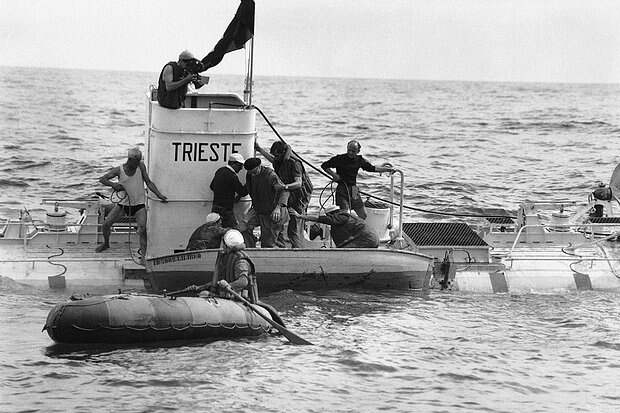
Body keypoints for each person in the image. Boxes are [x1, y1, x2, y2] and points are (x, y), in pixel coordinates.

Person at [95, 148, 168, 261]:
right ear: (130, 159)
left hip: (139, 205)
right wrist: (113, 185)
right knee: (106, 224)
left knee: (143, 229)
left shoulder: (141, 166)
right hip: (123, 205)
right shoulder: (119, 170)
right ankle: (106, 243)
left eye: (139, 160)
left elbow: (148, 182)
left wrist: (159, 195)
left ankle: (143, 257)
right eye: (137, 160)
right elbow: (102, 179)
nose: (139, 162)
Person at [255, 140, 313, 248]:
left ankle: (298, 251)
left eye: (277, 155)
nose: (275, 157)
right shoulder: (279, 160)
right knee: (284, 224)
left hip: (299, 197)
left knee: (294, 226)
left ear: (282, 153)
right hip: (288, 195)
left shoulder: (294, 163)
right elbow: (272, 160)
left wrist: (284, 187)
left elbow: (298, 183)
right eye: (274, 155)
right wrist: (259, 149)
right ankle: (287, 248)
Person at [321, 140, 394, 219]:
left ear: (358, 151)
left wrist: (387, 170)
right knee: (345, 214)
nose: (350, 153)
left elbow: (371, 168)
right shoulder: (339, 158)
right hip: (342, 188)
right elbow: (324, 165)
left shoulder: (359, 160)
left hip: (354, 189)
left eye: (353, 151)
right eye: (349, 150)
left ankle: (357, 227)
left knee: (363, 215)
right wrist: (334, 175)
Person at [243, 157, 288, 248]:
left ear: (259, 166)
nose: (253, 174)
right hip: (259, 211)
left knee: (268, 243)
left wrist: (278, 208)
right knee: (244, 226)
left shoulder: (270, 176)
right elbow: (250, 189)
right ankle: (250, 248)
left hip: (274, 212)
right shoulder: (249, 175)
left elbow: (284, 191)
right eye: (251, 172)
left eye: (254, 172)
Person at [290, 205, 379, 248]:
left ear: (331, 214)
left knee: (343, 252)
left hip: (367, 239)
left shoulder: (340, 217)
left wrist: (300, 216)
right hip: (372, 237)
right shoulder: (346, 216)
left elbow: (320, 219)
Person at [210, 153, 248, 228]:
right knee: (232, 230)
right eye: (240, 165)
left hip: (215, 207)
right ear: (234, 164)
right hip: (226, 210)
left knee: (216, 230)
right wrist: (249, 181)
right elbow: (243, 192)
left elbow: (212, 186)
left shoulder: (220, 171)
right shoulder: (232, 176)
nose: (241, 168)